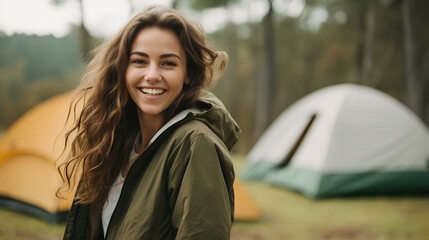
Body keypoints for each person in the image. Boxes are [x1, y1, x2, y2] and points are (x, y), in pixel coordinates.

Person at [58, 5, 241, 240]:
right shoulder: (116, 139)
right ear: (122, 69)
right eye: (140, 61)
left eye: (168, 63)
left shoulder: (196, 144)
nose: (152, 75)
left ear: (187, 74)